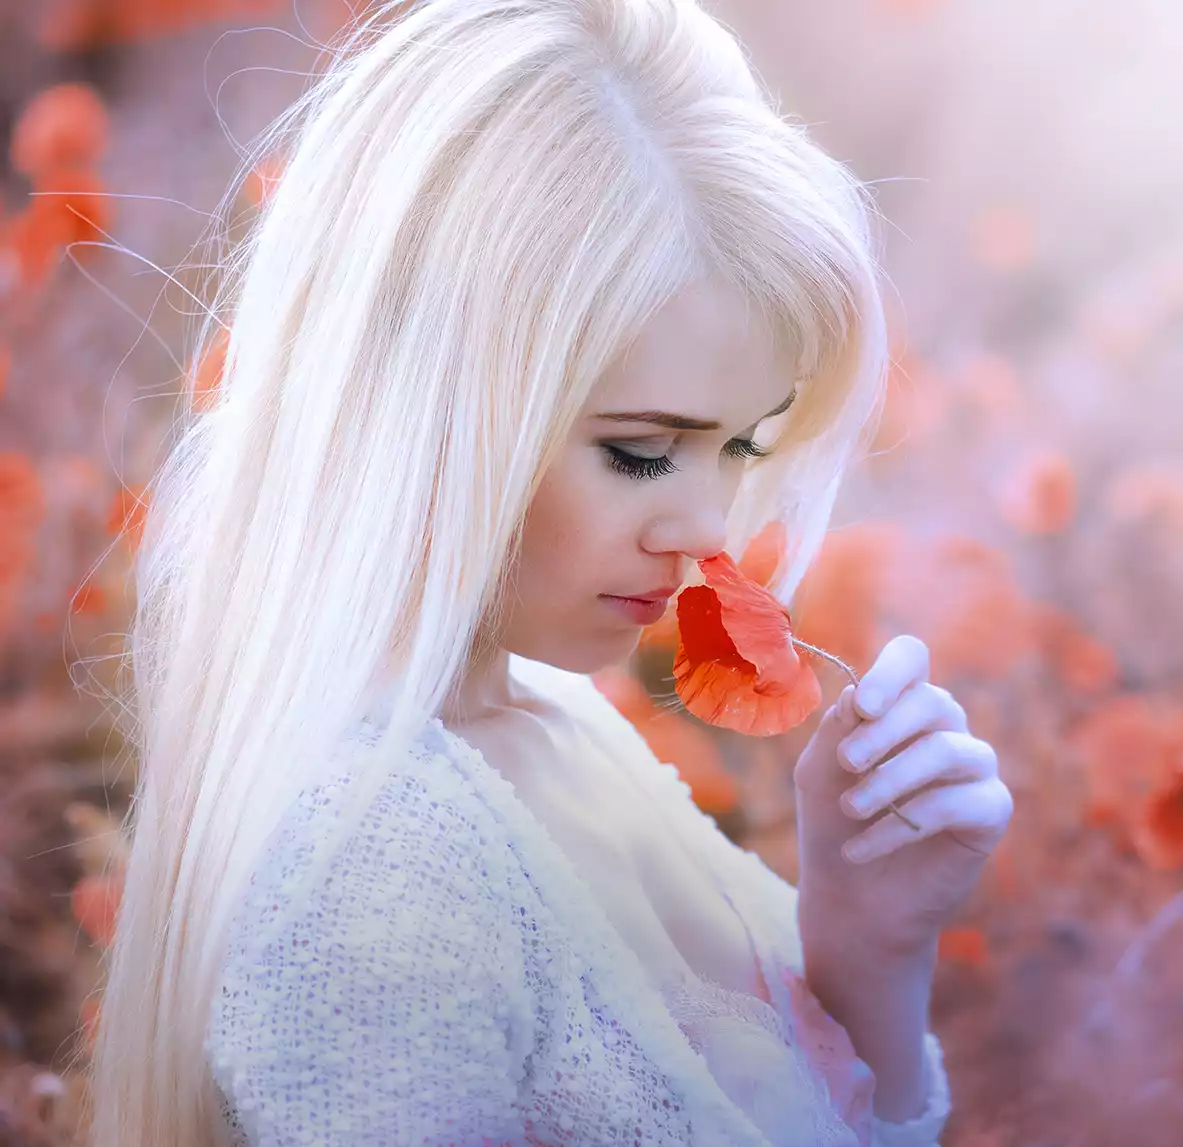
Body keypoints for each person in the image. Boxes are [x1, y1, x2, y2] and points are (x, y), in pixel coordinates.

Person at [81, 0, 1013, 1143]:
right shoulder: (379, 862)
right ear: (424, 413)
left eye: (741, 446)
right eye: (639, 450)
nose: (707, 525)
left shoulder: (561, 726)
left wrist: (870, 943)